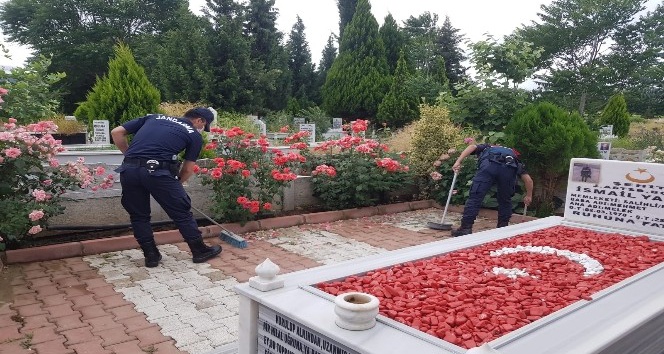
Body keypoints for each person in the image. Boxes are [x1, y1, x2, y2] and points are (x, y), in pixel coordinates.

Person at [111, 108, 222, 267]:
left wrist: (130, 156)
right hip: (159, 173)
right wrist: (177, 184)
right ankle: (199, 250)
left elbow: (116, 132)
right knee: (182, 213)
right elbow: (188, 169)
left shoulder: (153, 117)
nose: (202, 130)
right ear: (200, 120)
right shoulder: (193, 134)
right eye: (204, 126)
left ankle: (151, 256)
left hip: (129, 171)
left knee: (139, 215)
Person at [443, 143, 533, 237]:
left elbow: (472, 146)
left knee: (475, 197)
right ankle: (503, 229)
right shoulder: (514, 158)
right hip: (508, 170)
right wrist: (529, 195)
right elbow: (528, 180)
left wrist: (458, 161)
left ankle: (466, 228)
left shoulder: (488, 147)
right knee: (505, 200)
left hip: (488, 166)